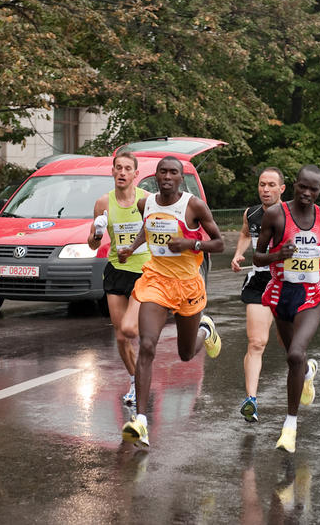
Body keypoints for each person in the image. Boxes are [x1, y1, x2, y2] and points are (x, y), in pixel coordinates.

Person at [118, 156, 225, 447]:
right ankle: (141, 421)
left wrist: (191, 244)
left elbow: (219, 242)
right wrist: (134, 246)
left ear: (181, 178)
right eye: (162, 172)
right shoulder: (146, 203)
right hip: (155, 281)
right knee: (148, 345)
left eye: (173, 172)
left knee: (186, 354)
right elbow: (148, 228)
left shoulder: (193, 206)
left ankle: (206, 330)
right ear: (155, 176)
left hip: (188, 284)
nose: (167, 176)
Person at [253, 164, 320, 453]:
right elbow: (257, 257)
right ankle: (307, 372)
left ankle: (290, 426)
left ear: (319, 191)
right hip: (281, 294)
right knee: (293, 356)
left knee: (295, 353)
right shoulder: (275, 215)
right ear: (294, 185)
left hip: (311, 296)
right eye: (302, 186)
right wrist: (278, 254)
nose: (306, 193)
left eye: (313, 189)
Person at [87, 152, 149, 405]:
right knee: (122, 336)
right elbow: (92, 245)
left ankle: (144, 372)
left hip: (145, 271)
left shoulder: (147, 199)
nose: (122, 173)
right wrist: (97, 234)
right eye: (118, 168)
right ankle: (135, 381)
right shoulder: (103, 203)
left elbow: (157, 231)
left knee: (131, 329)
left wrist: (134, 248)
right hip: (116, 270)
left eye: (127, 169)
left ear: (136, 174)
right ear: (112, 172)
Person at [230, 167, 286, 423]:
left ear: (282, 189)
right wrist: (238, 253)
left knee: (291, 347)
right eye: (262, 184)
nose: (265, 189)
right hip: (260, 281)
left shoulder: (292, 215)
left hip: (288, 283)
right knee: (256, 343)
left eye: (271, 185)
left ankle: (306, 371)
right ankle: (251, 400)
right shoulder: (251, 213)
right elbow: (244, 233)